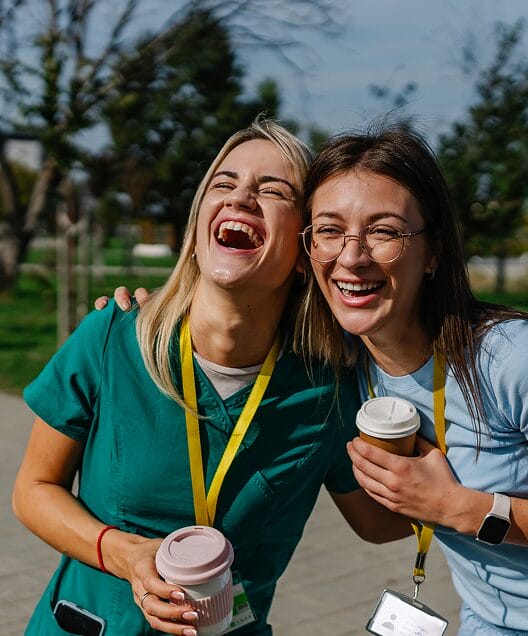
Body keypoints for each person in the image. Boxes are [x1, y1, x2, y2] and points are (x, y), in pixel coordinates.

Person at [12, 118, 410, 636]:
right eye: (224, 183)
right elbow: (33, 489)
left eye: (272, 190)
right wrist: (125, 555)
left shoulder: (328, 388)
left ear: (306, 250)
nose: (241, 197)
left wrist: (460, 473)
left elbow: (381, 524)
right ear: (199, 227)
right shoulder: (112, 338)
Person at [298, 126, 528, 635]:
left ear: (434, 251)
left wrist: (457, 507)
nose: (351, 256)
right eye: (329, 230)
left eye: (383, 231)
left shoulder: (511, 358)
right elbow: (378, 527)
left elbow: (447, 508)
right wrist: (143, 315)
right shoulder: (345, 368)